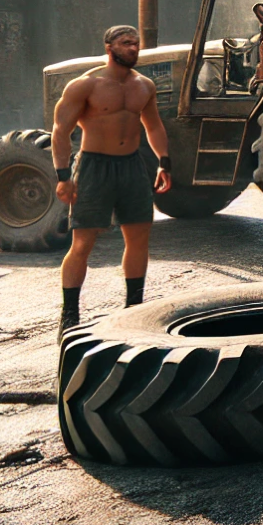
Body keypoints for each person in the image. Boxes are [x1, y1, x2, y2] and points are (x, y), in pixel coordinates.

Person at [52, 26, 172, 332]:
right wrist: (64, 176)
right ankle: (69, 314)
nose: (133, 48)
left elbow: (154, 127)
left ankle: (134, 307)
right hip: (94, 168)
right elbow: (60, 131)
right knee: (82, 242)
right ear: (110, 48)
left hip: (131, 167)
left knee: (139, 237)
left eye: (136, 43)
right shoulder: (85, 86)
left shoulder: (144, 86)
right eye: (126, 43)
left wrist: (164, 162)